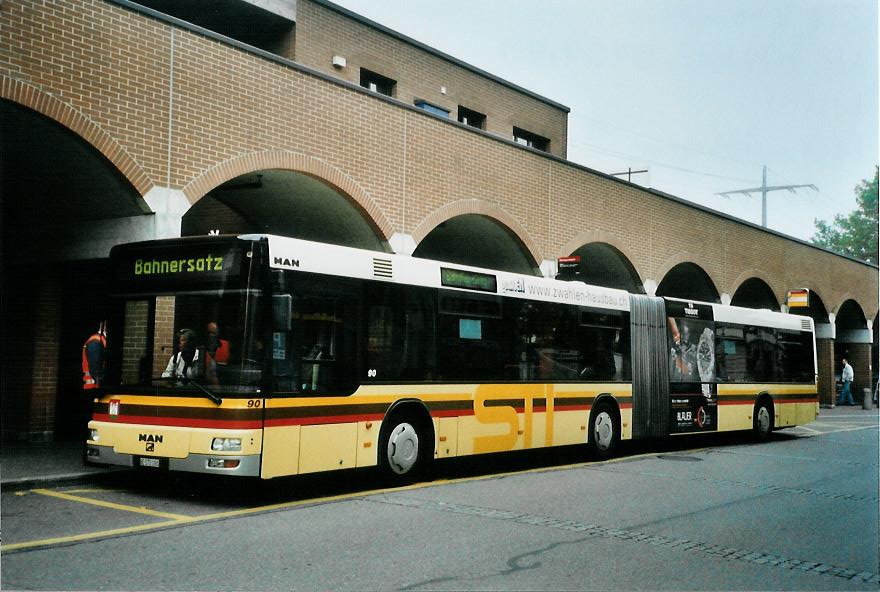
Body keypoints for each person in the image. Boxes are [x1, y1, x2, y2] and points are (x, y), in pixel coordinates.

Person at [82, 321, 107, 391]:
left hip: (95, 386)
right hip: (93, 387)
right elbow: (96, 371)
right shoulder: (95, 341)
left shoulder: (99, 340)